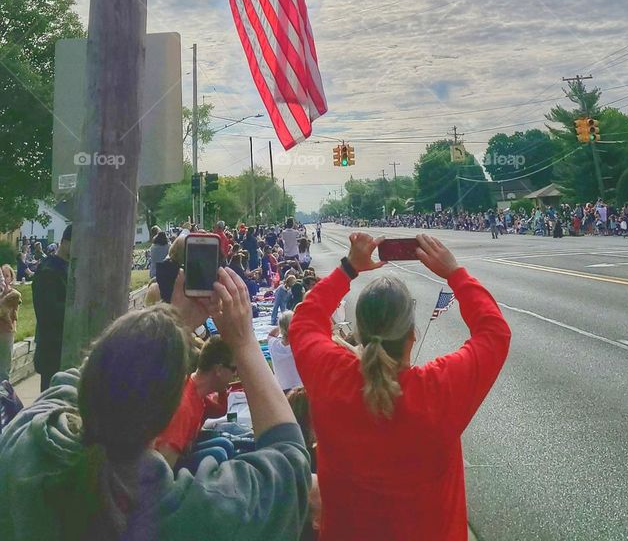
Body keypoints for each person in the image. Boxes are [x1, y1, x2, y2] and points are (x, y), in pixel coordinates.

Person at [0, 267, 311, 540]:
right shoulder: (185, 513)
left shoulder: (26, 445)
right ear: (166, 414)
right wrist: (243, 344)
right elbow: (290, 466)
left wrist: (172, 320)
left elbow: (80, 380)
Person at [290, 231, 511, 541]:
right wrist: (455, 274)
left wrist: (348, 268)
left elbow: (303, 322)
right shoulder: (436, 390)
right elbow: (494, 333)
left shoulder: (331, 378)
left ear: (360, 333)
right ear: (412, 335)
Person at [155, 335, 237, 471]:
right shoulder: (185, 406)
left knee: (225, 444)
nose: (235, 375)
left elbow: (220, 411)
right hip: (168, 466)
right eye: (234, 369)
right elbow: (164, 466)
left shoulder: (197, 392)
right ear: (218, 370)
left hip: (184, 450)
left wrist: (223, 389)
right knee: (219, 453)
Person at [31, 224, 71, 391]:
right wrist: (78, 309)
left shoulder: (69, 267)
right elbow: (47, 311)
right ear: (65, 242)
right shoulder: (49, 270)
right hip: (52, 349)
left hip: (65, 346)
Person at [267, 311, 303, 393]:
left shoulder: (273, 344)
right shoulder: (300, 346)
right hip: (301, 388)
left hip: (281, 390)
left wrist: (282, 326)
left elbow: (271, 334)